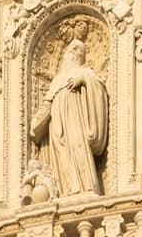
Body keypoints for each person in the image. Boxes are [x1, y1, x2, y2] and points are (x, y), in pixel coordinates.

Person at [30, 29, 108, 195]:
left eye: (77, 50)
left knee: (77, 147)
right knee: (62, 154)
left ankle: (85, 187)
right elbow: (47, 104)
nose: (72, 53)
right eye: (71, 49)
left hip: (76, 120)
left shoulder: (86, 73)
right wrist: (36, 125)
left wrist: (84, 79)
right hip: (57, 124)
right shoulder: (57, 79)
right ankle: (66, 190)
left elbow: (98, 89)